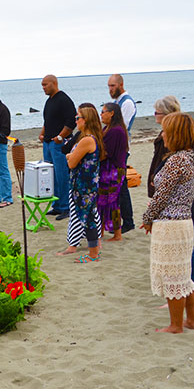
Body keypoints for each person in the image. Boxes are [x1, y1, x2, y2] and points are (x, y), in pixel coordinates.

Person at [142, 112, 194, 333]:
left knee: (172, 276)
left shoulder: (177, 160)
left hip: (170, 223)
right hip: (185, 221)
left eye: (166, 131)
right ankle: (192, 321)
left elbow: (162, 196)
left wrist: (147, 218)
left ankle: (176, 325)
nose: (163, 135)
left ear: (176, 134)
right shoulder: (193, 157)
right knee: (184, 274)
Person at [57, 103, 102, 256]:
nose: (75, 121)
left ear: (86, 120)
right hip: (85, 183)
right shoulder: (89, 138)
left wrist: (71, 156)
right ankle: (93, 251)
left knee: (87, 218)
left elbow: (71, 162)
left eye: (78, 118)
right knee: (89, 216)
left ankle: (93, 254)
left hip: (84, 185)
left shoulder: (87, 140)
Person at [39, 75, 76, 220]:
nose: (43, 87)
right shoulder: (49, 101)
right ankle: (57, 205)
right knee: (50, 176)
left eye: (45, 84)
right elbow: (47, 121)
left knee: (62, 175)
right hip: (48, 143)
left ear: (54, 83)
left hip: (58, 144)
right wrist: (42, 134)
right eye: (42, 85)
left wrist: (60, 137)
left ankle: (66, 207)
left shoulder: (64, 99)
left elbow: (71, 121)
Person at [108, 74, 136, 233]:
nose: (110, 89)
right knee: (115, 186)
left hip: (121, 150)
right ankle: (118, 221)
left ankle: (128, 222)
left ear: (121, 84)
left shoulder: (127, 103)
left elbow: (119, 126)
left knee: (121, 186)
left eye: (112, 86)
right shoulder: (116, 102)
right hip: (115, 148)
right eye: (109, 86)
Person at [97, 103, 128, 241]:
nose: (101, 114)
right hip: (107, 169)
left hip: (114, 170)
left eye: (103, 112)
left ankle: (117, 234)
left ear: (112, 113)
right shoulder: (107, 128)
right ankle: (101, 230)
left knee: (112, 202)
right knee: (102, 201)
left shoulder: (116, 130)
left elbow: (106, 152)